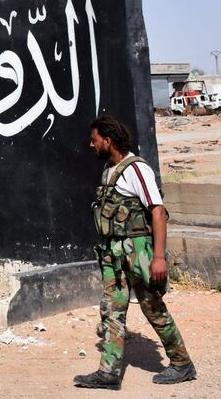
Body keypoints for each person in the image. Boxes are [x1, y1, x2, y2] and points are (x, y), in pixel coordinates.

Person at [74, 116, 196, 390]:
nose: (90, 145)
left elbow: (157, 211)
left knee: (152, 307)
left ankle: (181, 363)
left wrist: (159, 258)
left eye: (94, 140)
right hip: (113, 255)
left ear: (108, 140)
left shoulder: (137, 169)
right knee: (112, 309)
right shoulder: (109, 169)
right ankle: (109, 372)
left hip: (137, 253)